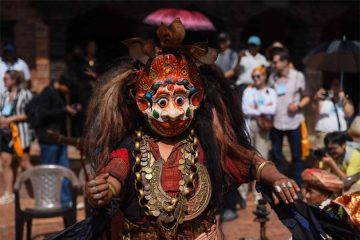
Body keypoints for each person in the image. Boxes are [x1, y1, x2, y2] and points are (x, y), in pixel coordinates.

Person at [50, 19, 300, 239]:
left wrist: (277, 178)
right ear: (142, 103)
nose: (172, 112)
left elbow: (248, 161)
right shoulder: (132, 146)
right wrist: (103, 190)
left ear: (196, 99)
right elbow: (116, 174)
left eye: (180, 100)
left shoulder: (207, 145)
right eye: (161, 101)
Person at [26, 79, 78, 206]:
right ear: (61, 83)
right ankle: (48, 201)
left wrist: (69, 110)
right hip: (49, 140)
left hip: (60, 139)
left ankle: (66, 201)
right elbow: (43, 114)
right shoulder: (48, 93)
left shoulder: (58, 94)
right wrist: (64, 110)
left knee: (64, 170)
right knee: (49, 172)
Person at [268, 50, 311, 184]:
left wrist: (298, 105)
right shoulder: (272, 77)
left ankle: (298, 183)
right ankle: (280, 182)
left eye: (276, 62)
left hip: (294, 121)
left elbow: (307, 96)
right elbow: (268, 95)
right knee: (277, 155)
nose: (273, 64)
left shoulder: (298, 76)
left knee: (297, 155)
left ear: (285, 62)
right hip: (276, 122)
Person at [241, 65, 277, 203]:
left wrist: (255, 109)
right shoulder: (248, 91)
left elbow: (272, 109)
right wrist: (262, 110)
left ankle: (259, 194)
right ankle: (243, 193)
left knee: (261, 158)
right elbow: (245, 108)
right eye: (253, 76)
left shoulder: (270, 92)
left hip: (263, 128)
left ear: (264, 77)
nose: (255, 79)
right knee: (245, 159)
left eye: (258, 76)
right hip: (249, 127)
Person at [0, 70, 33, 205]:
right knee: (6, 162)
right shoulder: (3, 95)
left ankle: (38, 189)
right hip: (4, 134)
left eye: (6, 79)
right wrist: (3, 119)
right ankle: (8, 193)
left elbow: (30, 113)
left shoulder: (26, 94)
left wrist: (13, 118)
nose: (4, 81)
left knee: (24, 162)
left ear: (14, 80)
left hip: (21, 133)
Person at [314, 78, 354, 147]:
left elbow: (349, 114)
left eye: (338, 85)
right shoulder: (323, 98)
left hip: (340, 134)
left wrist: (343, 99)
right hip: (324, 133)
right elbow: (316, 111)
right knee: (324, 155)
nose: (336, 87)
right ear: (330, 86)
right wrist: (316, 99)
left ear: (342, 87)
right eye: (334, 84)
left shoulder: (346, 100)